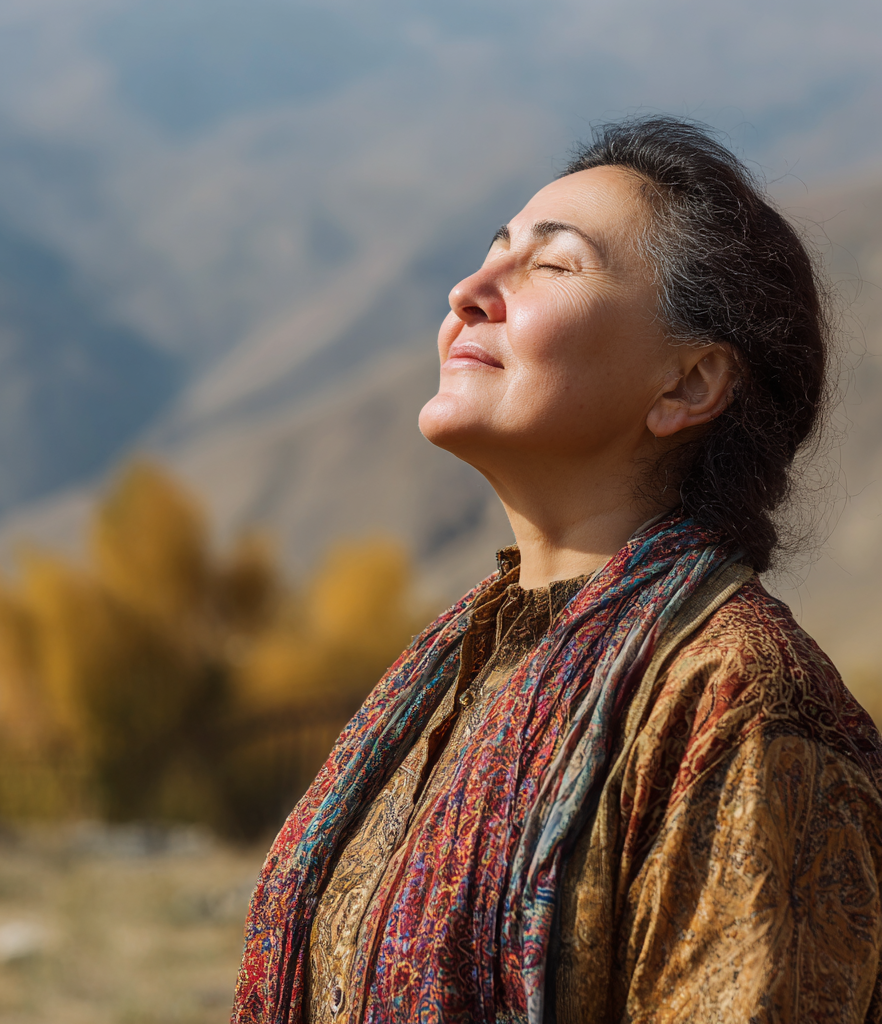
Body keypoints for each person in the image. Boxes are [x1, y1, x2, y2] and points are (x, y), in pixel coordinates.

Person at [231, 117, 882, 1023]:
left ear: (687, 385)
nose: (469, 292)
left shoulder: (743, 709)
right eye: (493, 252)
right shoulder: (458, 670)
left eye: (553, 264)